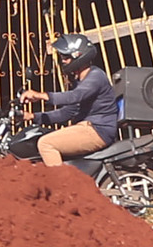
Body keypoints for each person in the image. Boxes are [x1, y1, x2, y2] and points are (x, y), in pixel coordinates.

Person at [23, 34, 122, 169]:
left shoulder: (95, 76)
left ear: (78, 56)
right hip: (87, 127)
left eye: (66, 57)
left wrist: (42, 95)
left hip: (97, 130)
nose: (63, 61)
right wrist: (33, 117)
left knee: (46, 143)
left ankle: (62, 187)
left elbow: (75, 96)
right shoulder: (80, 81)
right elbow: (67, 112)